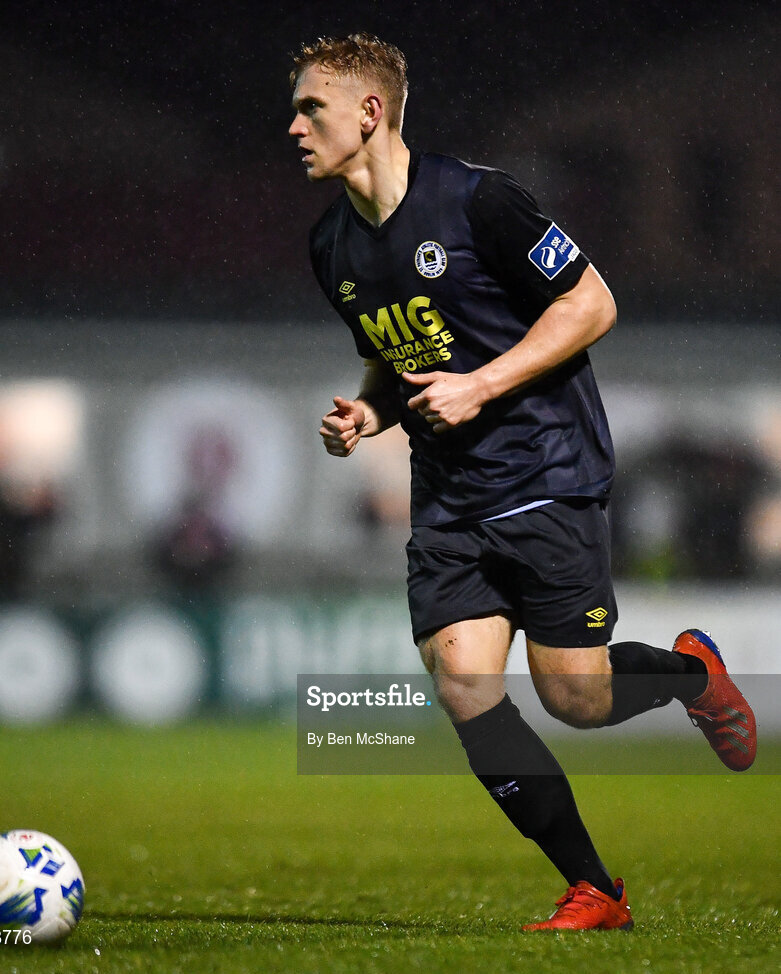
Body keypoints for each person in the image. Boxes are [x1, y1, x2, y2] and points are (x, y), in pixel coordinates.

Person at [288, 33, 757, 932]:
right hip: (450, 499)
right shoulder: (330, 246)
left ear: (370, 112)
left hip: (546, 474)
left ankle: (692, 674)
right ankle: (596, 889)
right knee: (464, 684)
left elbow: (592, 303)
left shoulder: (478, 201)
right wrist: (367, 414)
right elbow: (395, 361)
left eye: (312, 107)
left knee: (574, 699)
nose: (296, 125)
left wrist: (483, 384)